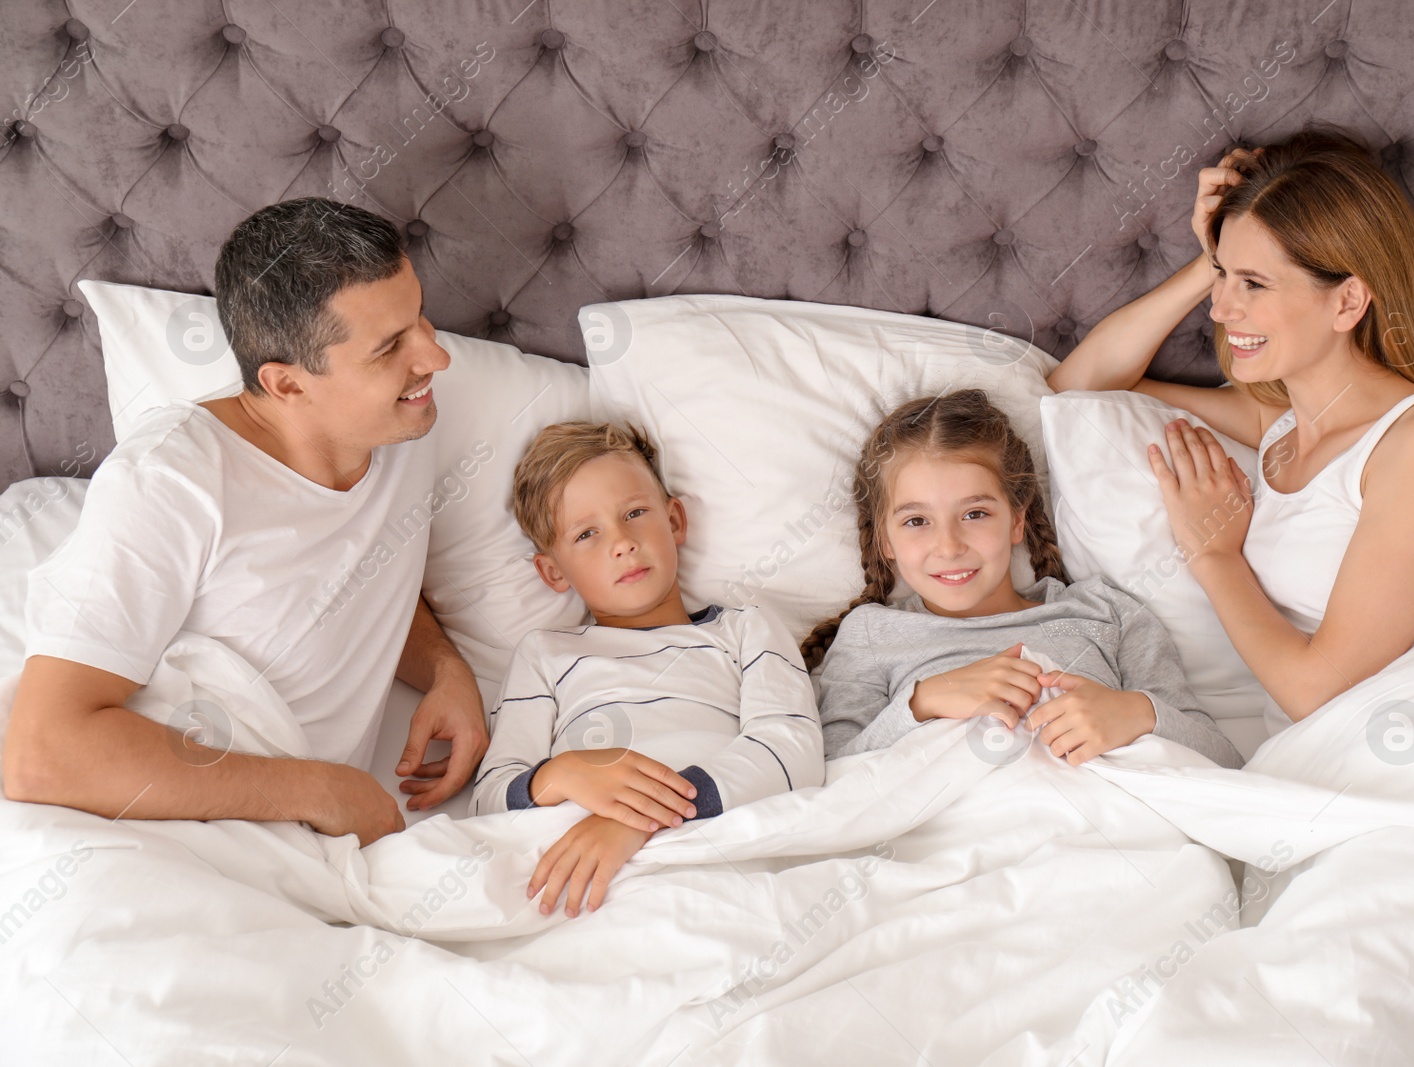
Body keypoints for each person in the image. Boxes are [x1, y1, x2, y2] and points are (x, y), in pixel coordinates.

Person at [4, 198, 488, 845]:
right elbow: (44, 752)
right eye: (390, 347)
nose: (435, 357)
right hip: (142, 817)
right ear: (286, 385)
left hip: (290, 831)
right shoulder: (170, 480)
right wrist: (318, 787)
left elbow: (355, 578)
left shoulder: (401, 419)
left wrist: (448, 674)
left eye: (420, 317)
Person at [1047, 127, 1414, 732]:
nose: (1220, 309)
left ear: (1346, 301)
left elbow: (1318, 691)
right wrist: (1215, 259)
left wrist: (1214, 554)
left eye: (1253, 285)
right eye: (1222, 277)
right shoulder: (1280, 428)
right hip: (1309, 756)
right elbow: (1080, 387)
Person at [470, 421, 825, 916]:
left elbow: (792, 752)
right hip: (575, 867)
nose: (622, 542)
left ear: (674, 520)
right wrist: (564, 772)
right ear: (553, 571)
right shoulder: (544, 653)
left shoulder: (747, 629)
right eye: (587, 534)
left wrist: (640, 819)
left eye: (635, 513)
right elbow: (488, 799)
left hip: (713, 835)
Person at [804, 389, 1241, 769]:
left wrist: (1137, 714)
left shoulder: (1108, 613)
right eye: (917, 521)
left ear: (1017, 520)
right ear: (884, 540)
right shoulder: (871, 633)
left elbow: (1223, 762)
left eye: (975, 514)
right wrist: (924, 702)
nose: (949, 545)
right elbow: (834, 780)